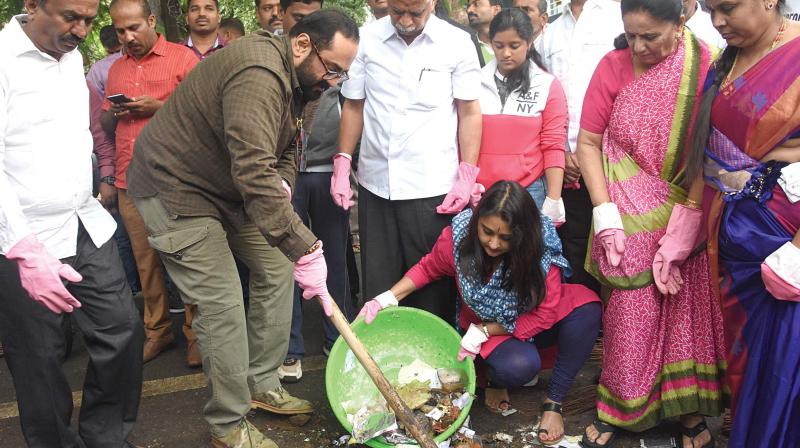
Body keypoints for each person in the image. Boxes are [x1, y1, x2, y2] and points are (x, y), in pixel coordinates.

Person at [126, 10, 359, 448]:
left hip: (225, 187)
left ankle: (261, 383)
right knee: (223, 302)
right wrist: (306, 247)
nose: (333, 82)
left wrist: (285, 185)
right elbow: (253, 169)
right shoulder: (259, 72)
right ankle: (228, 424)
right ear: (303, 44)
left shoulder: (303, 81)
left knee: (275, 267)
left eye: (342, 75)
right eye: (333, 69)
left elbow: (290, 147)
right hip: (174, 189)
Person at [577, 1, 726, 447]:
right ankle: (620, 408)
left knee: (684, 311)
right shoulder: (612, 66)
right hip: (623, 212)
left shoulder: (708, 67)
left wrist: (688, 222)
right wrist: (604, 213)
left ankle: (686, 414)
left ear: (680, 19)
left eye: (651, 36)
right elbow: (587, 142)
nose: (639, 47)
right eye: (632, 35)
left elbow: (712, 147)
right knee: (628, 315)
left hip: (687, 209)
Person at [358, 181, 601, 446]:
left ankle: (553, 401)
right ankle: (494, 379)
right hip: (485, 324)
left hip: (531, 316)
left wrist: (487, 331)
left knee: (588, 310)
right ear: (478, 222)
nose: (494, 244)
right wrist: (388, 297)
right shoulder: (461, 236)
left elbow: (544, 314)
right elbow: (428, 268)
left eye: (505, 238)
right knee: (518, 366)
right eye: (487, 232)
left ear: (521, 235)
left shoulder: (540, 248)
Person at [0, 0, 144, 445]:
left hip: (84, 222)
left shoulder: (71, 56)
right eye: (70, 18)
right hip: (24, 236)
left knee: (122, 328)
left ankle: (105, 437)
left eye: (88, 19)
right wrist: (21, 245)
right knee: (39, 358)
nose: (81, 30)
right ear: (31, 5)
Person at [685, 0, 800, 446]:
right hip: (732, 233)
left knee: (784, 364)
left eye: (727, 7)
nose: (716, 21)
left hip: (783, 239)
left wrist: (797, 251)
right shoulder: (726, 56)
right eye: (710, 8)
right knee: (748, 361)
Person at [333, 0, 483, 322]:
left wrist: (467, 171)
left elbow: (469, 111)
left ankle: (434, 363)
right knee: (379, 285)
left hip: (432, 189)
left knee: (433, 289)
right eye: (397, 11)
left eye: (415, 13)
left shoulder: (456, 42)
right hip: (376, 184)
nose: (405, 20)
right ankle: (380, 363)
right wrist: (343, 160)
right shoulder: (367, 39)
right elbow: (354, 106)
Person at [103, 0, 201, 366]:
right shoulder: (115, 70)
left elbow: (202, 111)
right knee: (146, 263)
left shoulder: (182, 59)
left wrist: (157, 107)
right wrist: (113, 113)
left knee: (184, 259)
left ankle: (195, 334)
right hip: (130, 180)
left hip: (174, 178)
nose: (127, 37)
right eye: (120, 31)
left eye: (133, 28)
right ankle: (157, 332)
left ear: (151, 20)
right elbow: (106, 127)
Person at [540, 0, 622, 295]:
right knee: (574, 242)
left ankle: (616, 326)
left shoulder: (617, 17)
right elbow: (547, 94)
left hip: (613, 159)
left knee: (616, 242)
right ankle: (587, 326)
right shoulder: (551, 29)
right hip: (566, 161)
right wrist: (562, 151)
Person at [476, 9, 566, 225]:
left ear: (528, 42)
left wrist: (553, 199)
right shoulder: (474, 82)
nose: (506, 53)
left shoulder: (547, 85)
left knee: (526, 257)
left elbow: (553, 145)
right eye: (499, 46)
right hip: (481, 192)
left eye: (514, 46)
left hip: (529, 192)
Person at [86, 24, 123, 97]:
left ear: (104, 46)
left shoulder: (97, 69)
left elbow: (92, 97)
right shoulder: (138, 58)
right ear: (122, 39)